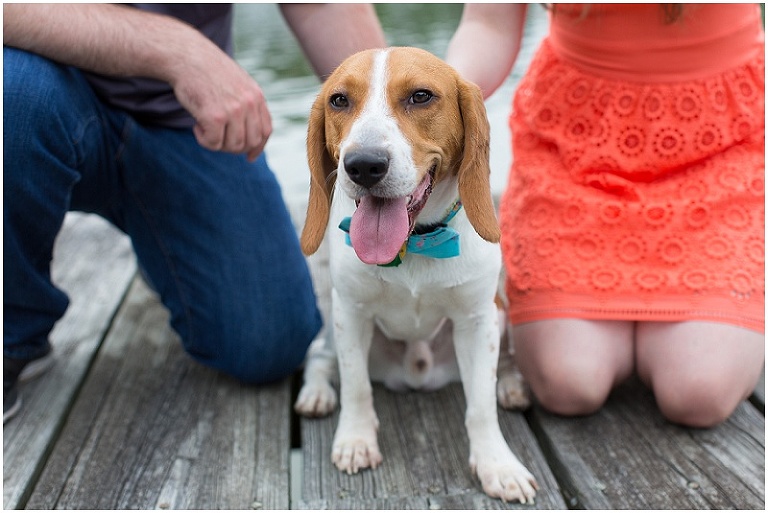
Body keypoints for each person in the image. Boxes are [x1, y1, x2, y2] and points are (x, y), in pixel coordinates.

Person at [3, 3, 386, 423]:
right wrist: (176, 48)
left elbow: (320, 7)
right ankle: (14, 333)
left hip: (190, 121)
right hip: (42, 96)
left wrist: (386, 133)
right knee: (13, 98)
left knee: (269, 343)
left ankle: (163, 243)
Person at [446, 4, 764, 428]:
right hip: (575, 143)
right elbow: (488, 24)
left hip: (719, 140)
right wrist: (437, 101)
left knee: (697, 392)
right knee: (569, 384)